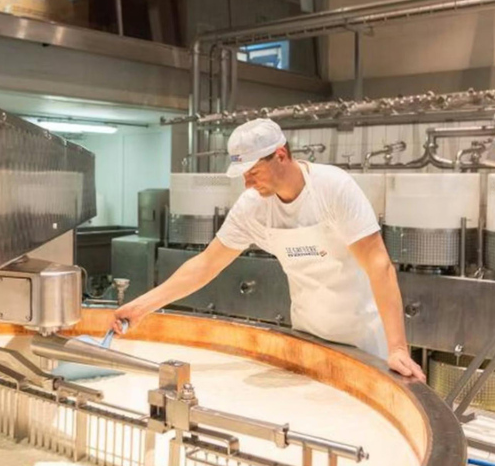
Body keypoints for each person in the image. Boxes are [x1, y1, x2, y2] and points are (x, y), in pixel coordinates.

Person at [110, 118, 425, 380]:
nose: (247, 184)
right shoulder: (253, 207)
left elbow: (378, 265)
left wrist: (397, 347)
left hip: (364, 340)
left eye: (253, 172)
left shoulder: (333, 188)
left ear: (281, 155)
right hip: (308, 337)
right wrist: (140, 308)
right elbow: (205, 265)